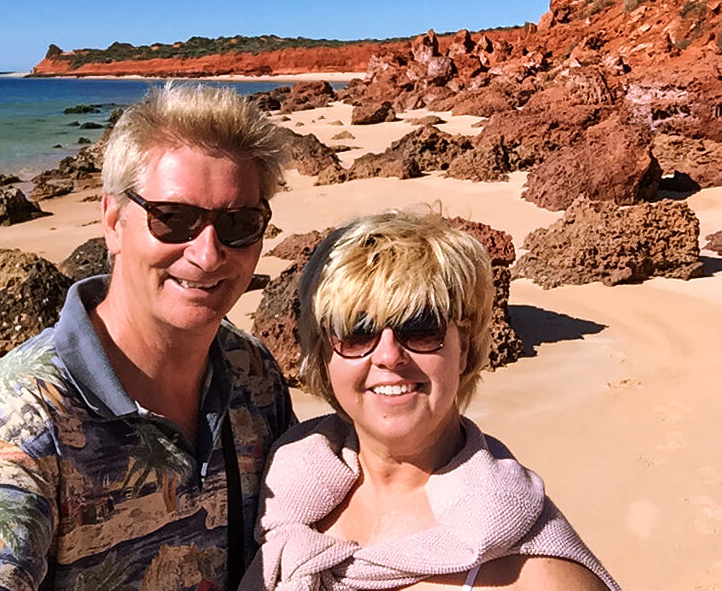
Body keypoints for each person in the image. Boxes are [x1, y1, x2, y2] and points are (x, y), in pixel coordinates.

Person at [0, 83, 293, 591]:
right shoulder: (25, 414)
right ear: (113, 222)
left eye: (239, 223)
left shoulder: (252, 373)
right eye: (174, 219)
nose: (208, 254)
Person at [242, 207, 619, 590]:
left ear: (466, 349)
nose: (389, 356)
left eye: (421, 327)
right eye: (356, 331)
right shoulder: (280, 491)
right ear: (323, 355)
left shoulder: (533, 571)